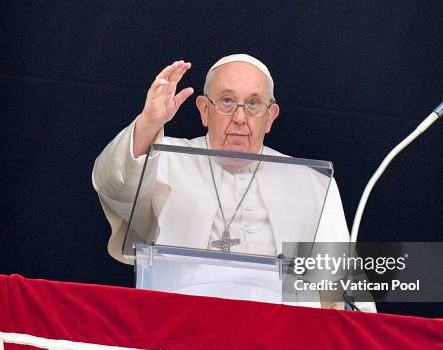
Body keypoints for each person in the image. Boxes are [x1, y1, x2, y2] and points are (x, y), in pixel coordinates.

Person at [93, 54, 375, 311]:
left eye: (253, 104)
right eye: (227, 102)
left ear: (270, 117)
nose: (240, 118)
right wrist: (147, 124)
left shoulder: (312, 183)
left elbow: (341, 282)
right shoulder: (164, 158)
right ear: (204, 110)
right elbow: (113, 184)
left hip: (283, 332)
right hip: (182, 319)